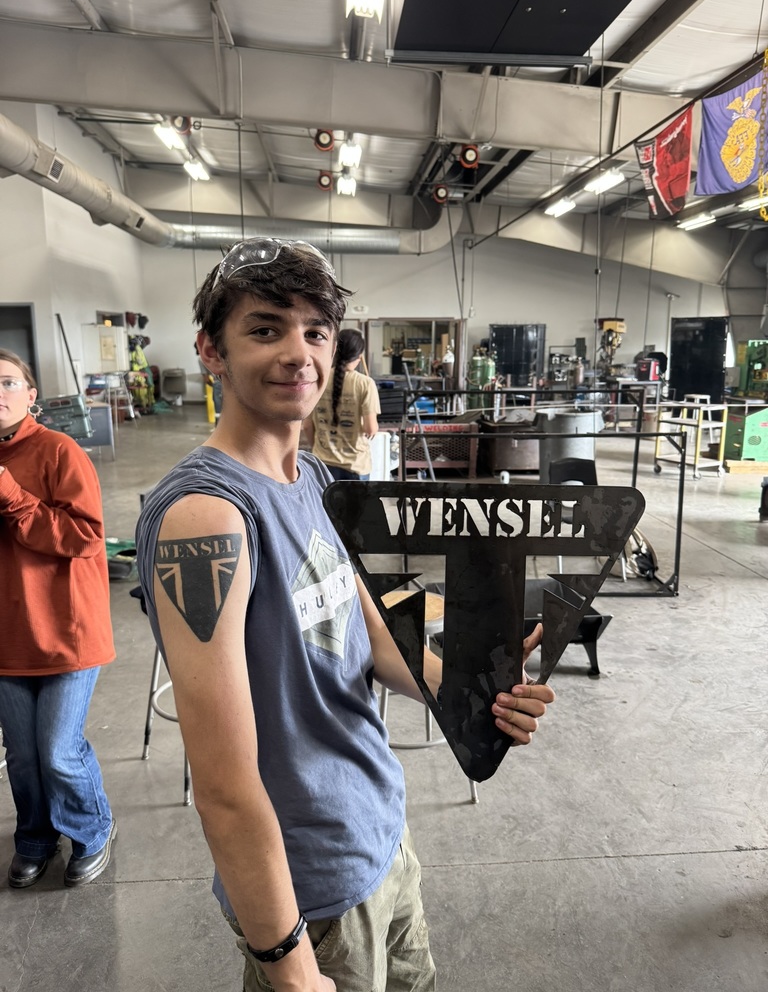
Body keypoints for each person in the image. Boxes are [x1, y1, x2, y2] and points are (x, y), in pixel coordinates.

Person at [134, 237, 554, 992]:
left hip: (380, 832)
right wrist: (287, 962)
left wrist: (471, 695)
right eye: (266, 329)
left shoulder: (318, 481)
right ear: (210, 350)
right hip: (310, 884)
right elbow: (223, 779)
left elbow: (374, 638)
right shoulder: (207, 517)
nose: (299, 352)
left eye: (316, 331)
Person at [0, 349, 117, 889]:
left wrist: (11, 495)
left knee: (58, 751)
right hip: (7, 633)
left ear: (30, 395)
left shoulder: (59, 451)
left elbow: (86, 537)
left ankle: (92, 830)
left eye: (7, 383)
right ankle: (36, 838)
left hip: (65, 630)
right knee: (22, 756)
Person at [306, 328, 379, 480]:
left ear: (334, 350)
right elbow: (370, 428)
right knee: (355, 505)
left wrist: (319, 448)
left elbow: (306, 425)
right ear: (359, 355)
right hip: (355, 465)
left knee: (325, 504)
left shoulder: (317, 379)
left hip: (322, 463)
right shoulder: (365, 383)